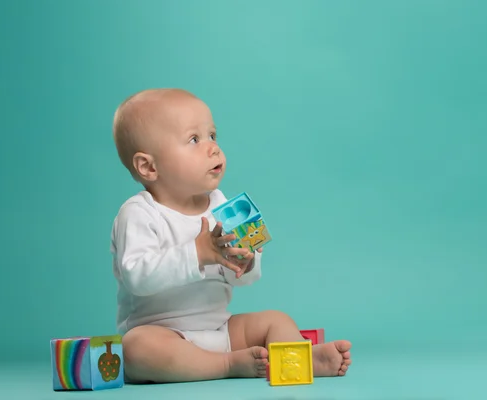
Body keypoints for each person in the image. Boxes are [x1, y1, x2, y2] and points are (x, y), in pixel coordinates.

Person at [109, 88, 352, 383]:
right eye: (194, 139)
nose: (212, 148)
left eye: (212, 135)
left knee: (277, 320)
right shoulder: (138, 213)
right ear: (149, 166)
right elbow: (137, 276)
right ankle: (226, 365)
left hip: (221, 329)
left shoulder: (224, 204)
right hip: (163, 334)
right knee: (134, 350)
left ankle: (299, 361)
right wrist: (196, 252)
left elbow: (247, 277)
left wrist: (246, 264)